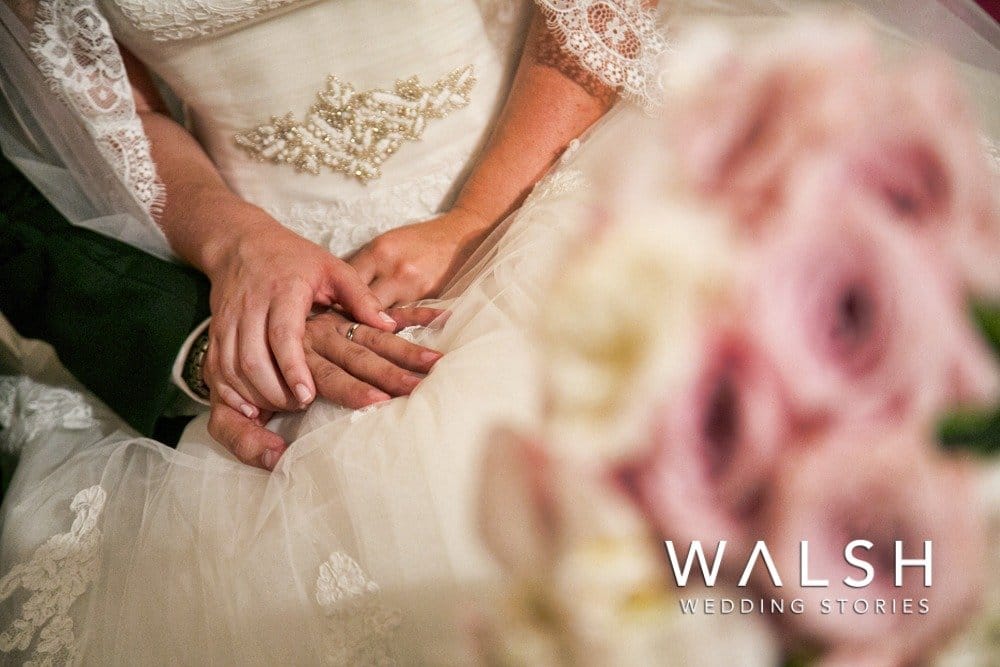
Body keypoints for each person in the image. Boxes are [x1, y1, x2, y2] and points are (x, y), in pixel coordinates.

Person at [0, 0, 997, 663]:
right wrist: (236, 241)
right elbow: (102, 96)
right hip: (301, 286)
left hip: (535, 176)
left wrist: (467, 217)